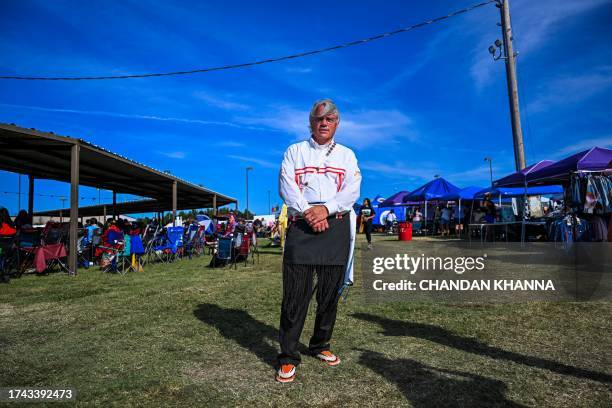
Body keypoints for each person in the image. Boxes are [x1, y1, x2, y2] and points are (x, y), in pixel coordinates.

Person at [276, 99, 361, 383]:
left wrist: (327, 209)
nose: (323, 123)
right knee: (295, 296)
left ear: (337, 123)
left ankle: (320, 344)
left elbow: (352, 190)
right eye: (318, 119)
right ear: (310, 122)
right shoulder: (295, 151)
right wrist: (310, 213)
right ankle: (288, 356)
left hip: (335, 226)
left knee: (328, 295)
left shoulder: (347, 155)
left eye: (330, 119)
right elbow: (287, 186)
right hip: (302, 225)